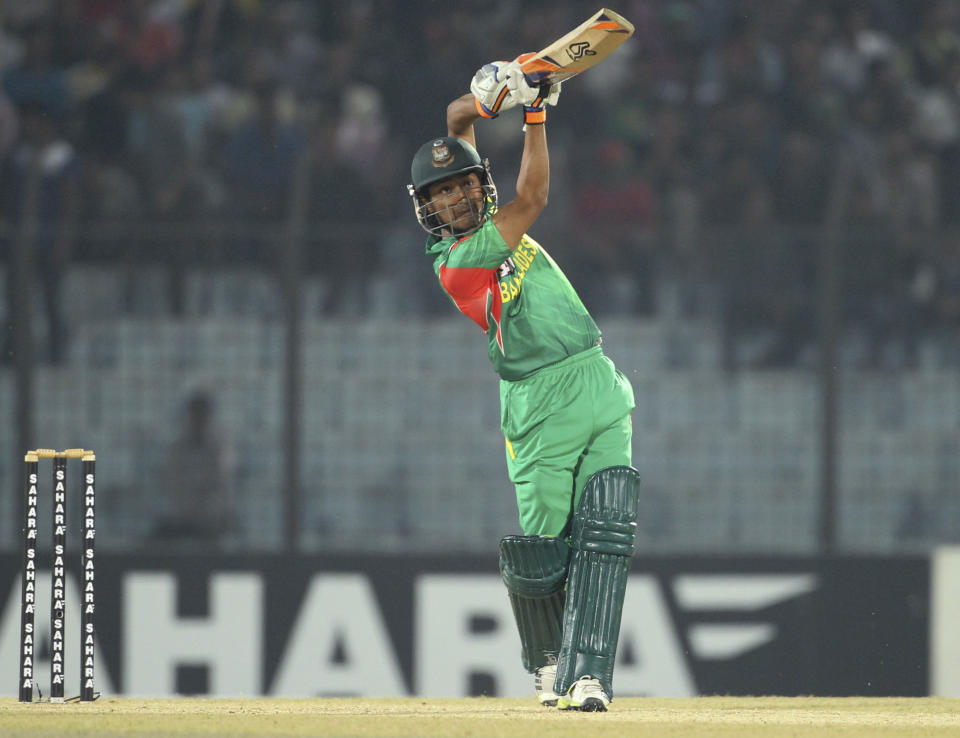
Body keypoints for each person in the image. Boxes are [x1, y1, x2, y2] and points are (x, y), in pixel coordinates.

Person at [407, 59, 641, 712]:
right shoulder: (457, 261)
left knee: (608, 523)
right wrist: (533, 114)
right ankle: (546, 662)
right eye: (440, 196)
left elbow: (456, 120)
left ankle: (588, 675)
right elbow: (534, 199)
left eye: (460, 186)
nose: (452, 199)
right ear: (426, 210)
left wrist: (492, 93)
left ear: (475, 184)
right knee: (547, 552)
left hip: (594, 376)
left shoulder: (477, 204)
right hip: (536, 401)